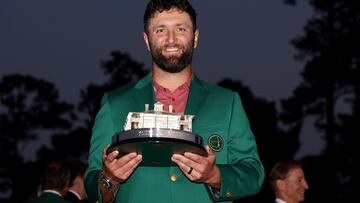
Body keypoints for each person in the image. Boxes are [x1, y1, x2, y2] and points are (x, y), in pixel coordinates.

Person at [84, 0, 265, 202]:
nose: (171, 39)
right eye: (160, 30)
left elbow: (253, 174)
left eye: (180, 28)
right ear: (146, 40)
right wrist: (109, 179)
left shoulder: (227, 101)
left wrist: (215, 176)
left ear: (195, 37)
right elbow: (92, 181)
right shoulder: (114, 103)